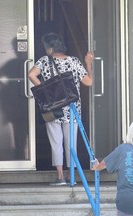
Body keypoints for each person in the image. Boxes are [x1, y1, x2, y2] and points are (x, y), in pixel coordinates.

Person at [28, 32, 94, 186]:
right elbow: (88, 82)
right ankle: (71, 176)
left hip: (53, 108)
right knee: (71, 143)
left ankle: (60, 176)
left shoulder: (44, 61)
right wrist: (88, 63)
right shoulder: (74, 61)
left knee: (55, 142)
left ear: (50, 49)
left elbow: (31, 74)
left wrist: (45, 89)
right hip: (72, 109)